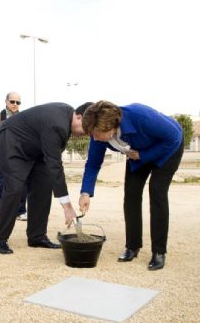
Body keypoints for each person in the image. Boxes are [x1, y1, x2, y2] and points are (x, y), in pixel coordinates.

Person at [78, 100, 184, 270]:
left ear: (110, 127)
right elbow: (93, 163)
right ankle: (132, 246)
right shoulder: (97, 133)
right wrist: (85, 192)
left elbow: (174, 137)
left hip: (167, 149)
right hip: (137, 154)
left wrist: (143, 155)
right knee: (131, 194)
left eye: (96, 134)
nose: (94, 138)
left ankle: (159, 251)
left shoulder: (140, 115)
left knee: (157, 191)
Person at [0, 102, 87, 254]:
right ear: (79, 117)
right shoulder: (57, 124)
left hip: (35, 147)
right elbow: (55, 165)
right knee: (15, 188)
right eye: (86, 129)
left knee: (44, 185)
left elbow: (51, 164)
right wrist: (68, 208)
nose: (86, 134)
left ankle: (37, 237)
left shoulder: (66, 118)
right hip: (9, 140)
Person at [0, 92, 27, 224]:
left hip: (21, 159)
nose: (15, 105)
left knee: (22, 185)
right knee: (1, 185)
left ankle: (20, 211)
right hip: (3, 159)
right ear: (6, 101)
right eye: (12, 101)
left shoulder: (24, 117)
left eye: (18, 102)